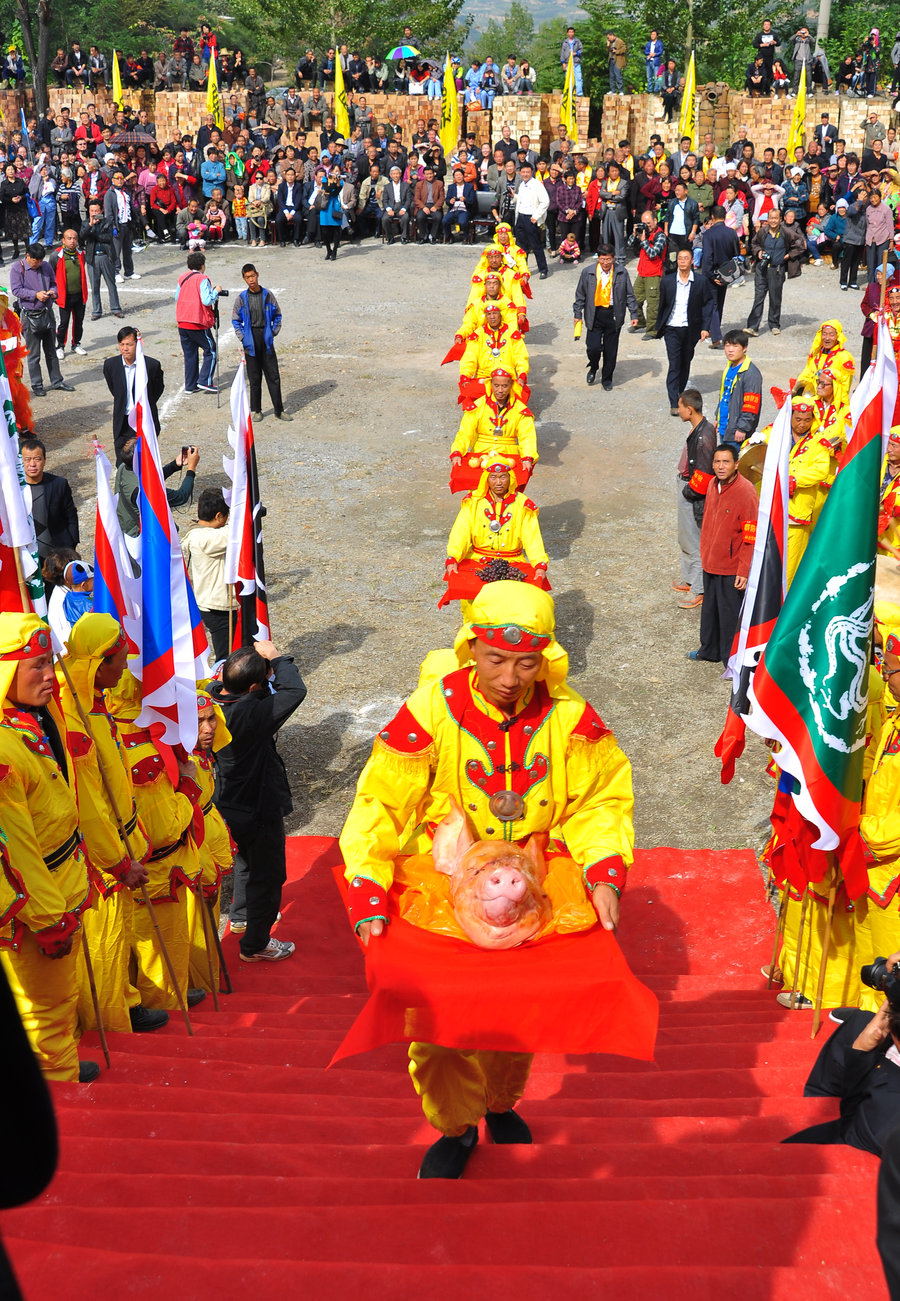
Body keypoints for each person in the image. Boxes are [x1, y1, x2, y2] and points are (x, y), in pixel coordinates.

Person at [339, 581, 634, 1178]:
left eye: (526, 663)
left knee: (516, 1014)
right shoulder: (429, 710)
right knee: (438, 1024)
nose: (509, 677)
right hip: (440, 887)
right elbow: (380, 803)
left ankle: (500, 1103)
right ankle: (456, 1125)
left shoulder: (571, 716)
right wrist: (368, 887)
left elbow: (601, 801)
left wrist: (604, 869)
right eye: (496, 659)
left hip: (534, 884)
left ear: (544, 658)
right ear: (471, 648)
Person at [57, 615, 169, 1037]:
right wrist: (118, 861)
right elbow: (90, 808)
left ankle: (125, 1000)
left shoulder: (95, 705)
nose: (125, 668)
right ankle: (110, 1025)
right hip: (101, 859)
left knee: (117, 940)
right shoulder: (75, 721)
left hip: (120, 848)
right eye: (120, 660)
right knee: (102, 944)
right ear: (100, 663)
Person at [0, 613, 96, 1083]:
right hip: (33, 906)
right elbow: (12, 851)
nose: (50, 675)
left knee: (62, 997)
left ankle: (63, 1064)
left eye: (49, 663)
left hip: (61, 879)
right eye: (35, 666)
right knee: (45, 1008)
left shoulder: (32, 719)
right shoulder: (2, 751)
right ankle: (62, 1097)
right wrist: (48, 917)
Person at [105, 666, 206, 1013]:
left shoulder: (149, 729)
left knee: (169, 945)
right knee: (156, 948)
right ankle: (164, 1005)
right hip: (156, 867)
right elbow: (162, 828)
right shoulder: (137, 747)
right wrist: (189, 790)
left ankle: (173, 990)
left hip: (167, 862)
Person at [208, 642, 306, 964]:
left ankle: (240, 916)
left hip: (223, 799)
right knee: (268, 874)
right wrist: (276, 657)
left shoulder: (210, 702)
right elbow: (294, 690)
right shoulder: (252, 713)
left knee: (245, 861)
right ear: (253, 687)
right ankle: (256, 944)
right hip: (258, 804)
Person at [782, 997, 900, 1156]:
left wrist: (860, 1052)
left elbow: (854, 1130)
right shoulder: (864, 1026)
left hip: (861, 1129)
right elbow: (821, 1093)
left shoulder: (885, 1122)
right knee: (859, 1024)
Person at [686, 444, 758, 665]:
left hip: (731, 566)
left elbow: (750, 537)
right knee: (710, 611)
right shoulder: (711, 485)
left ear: (736, 464)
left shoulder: (746, 492)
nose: (720, 466)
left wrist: (744, 570)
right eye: (717, 462)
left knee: (729, 615)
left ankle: (731, 659)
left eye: (726, 462)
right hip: (711, 561)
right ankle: (709, 650)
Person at [445, 458, 548, 608]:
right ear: (486, 479)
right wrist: (453, 557)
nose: (498, 482)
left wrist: (539, 564)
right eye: (493, 477)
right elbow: (460, 533)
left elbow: (532, 538)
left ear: (510, 477)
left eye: (502, 477)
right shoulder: (473, 502)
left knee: (518, 603)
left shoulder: (523, 505)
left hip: (513, 563)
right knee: (472, 603)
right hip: (478, 561)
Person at [656, 247, 715, 415]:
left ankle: (680, 392)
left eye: (686, 258)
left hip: (691, 329)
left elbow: (708, 304)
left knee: (685, 362)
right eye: (680, 258)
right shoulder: (667, 281)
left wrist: (705, 327)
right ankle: (674, 402)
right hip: (672, 328)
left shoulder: (701, 282)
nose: (682, 261)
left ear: (692, 261)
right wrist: (659, 325)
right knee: (674, 364)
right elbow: (662, 305)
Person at [10, 244, 74, 397]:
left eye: (39, 260)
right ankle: (37, 385)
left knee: (51, 350)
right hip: (29, 316)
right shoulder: (17, 268)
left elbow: (54, 283)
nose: (37, 263)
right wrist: (35, 295)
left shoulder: (45, 266)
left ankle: (57, 381)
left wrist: (53, 292)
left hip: (47, 313)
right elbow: (16, 290)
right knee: (34, 354)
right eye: (35, 261)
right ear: (27, 256)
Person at [572, 244, 639, 390]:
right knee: (593, 347)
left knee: (611, 350)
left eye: (608, 260)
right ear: (598, 259)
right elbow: (580, 295)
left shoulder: (621, 272)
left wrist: (634, 313)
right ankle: (594, 365)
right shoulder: (588, 272)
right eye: (602, 260)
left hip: (613, 315)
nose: (605, 263)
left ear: (613, 258)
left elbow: (629, 295)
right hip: (594, 314)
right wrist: (578, 314)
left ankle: (607, 378)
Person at [451, 370, 537, 481]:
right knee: (477, 492)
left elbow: (527, 437)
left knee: (507, 492)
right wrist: (457, 451)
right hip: (481, 456)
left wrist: (527, 457)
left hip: (509, 456)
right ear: (490, 384)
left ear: (511, 385)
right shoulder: (477, 406)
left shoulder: (520, 410)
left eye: (504, 386)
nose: (500, 390)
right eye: (496, 385)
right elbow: (465, 433)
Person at [674, 389, 717, 610]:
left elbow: (704, 474)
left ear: (689, 410)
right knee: (686, 537)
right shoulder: (701, 429)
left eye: (680, 406)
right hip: (688, 487)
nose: (677, 410)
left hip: (692, 493)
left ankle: (698, 589)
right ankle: (689, 578)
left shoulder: (704, 437)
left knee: (694, 540)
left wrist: (687, 492)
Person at [231, 264, 289, 423]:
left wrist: (274, 332)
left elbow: (277, 315)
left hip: (266, 338)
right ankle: (257, 410)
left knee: (273, 376)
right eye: (247, 277)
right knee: (254, 378)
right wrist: (243, 338)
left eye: (253, 276)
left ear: (257, 275)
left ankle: (279, 410)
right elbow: (236, 320)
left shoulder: (267, 295)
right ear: (244, 279)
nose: (251, 280)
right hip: (250, 340)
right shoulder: (241, 299)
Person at [103, 326, 164, 464]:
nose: (125, 348)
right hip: (122, 421)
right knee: (122, 461)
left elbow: (157, 390)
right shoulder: (111, 365)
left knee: (144, 461)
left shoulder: (151, 366)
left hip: (143, 419)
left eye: (129, 344)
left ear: (137, 344)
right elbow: (115, 390)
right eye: (122, 344)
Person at [182, 489, 230, 663]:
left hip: (206, 602)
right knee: (225, 655)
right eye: (226, 516)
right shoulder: (207, 538)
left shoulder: (197, 533)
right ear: (218, 516)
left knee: (227, 649)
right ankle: (224, 685)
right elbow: (235, 533)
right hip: (216, 606)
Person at [114, 438, 198, 538]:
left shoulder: (124, 467)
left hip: (125, 527)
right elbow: (181, 497)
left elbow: (151, 478)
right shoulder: (143, 490)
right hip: (141, 537)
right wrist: (191, 468)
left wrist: (175, 465)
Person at [19, 437, 78, 558]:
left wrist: (71, 545)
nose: (32, 464)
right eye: (27, 459)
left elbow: (71, 516)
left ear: (44, 460)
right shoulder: (14, 489)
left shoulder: (59, 484)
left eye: (37, 459)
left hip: (58, 555)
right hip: (27, 557)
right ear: (20, 461)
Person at [175, 250, 222, 395]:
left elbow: (177, 297)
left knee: (190, 354)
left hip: (183, 321)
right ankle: (205, 380)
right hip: (197, 322)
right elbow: (207, 300)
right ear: (202, 265)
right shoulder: (202, 279)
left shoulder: (182, 278)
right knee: (211, 349)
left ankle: (190, 385)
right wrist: (216, 292)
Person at [700, 206, 742, 348]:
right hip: (726, 273)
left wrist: (710, 275)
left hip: (712, 273)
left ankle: (716, 336)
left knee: (712, 304)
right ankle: (715, 330)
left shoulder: (708, 234)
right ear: (724, 216)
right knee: (719, 302)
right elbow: (736, 254)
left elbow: (707, 258)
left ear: (712, 217)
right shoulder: (731, 233)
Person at [716, 329, 763, 445]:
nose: (730, 350)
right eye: (727, 345)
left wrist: (742, 428)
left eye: (735, 346)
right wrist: (717, 419)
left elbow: (751, 404)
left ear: (744, 348)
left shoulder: (751, 373)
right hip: (725, 428)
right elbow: (724, 395)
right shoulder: (729, 367)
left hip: (737, 434)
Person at [746, 208, 787, 337]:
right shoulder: (762, 232)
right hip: (761, 269)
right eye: (771, 218)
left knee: (775, 298)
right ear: (767, 219)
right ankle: (753, 327)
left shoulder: (786, 232)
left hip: (777, 270)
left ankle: (774, 324)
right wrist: (758, 252)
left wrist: (789, 255)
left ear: (780, 219)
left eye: (776, 218)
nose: (773, 221)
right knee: (758, 297)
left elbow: (799, 244)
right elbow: (753, 243)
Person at [793, 320, 855, 405]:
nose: (827, 338)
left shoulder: (845, 357)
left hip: (831, 402)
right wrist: (795, 389)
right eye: (824, 334)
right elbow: (807, 372)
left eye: (831, 334)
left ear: (838, 336)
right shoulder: (817, 353)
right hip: (812, 396)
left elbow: (844, 386)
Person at [80, 199, 123, 322]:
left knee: (111, 284)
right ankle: (96, 310)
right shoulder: (85, 223)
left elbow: (107, 237)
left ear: (101, 211)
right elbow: (82, 237)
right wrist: (90, 226)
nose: (94, 213)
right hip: (92, 257)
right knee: (94, 286)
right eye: (92, 210)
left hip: (105, 256)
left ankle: (116, 308)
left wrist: (93, 234)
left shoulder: (107, 222)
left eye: (96, 210)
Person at [49, 227, 87, 360]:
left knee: (79, 321)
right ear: (63, 240)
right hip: (64, 296)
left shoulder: (81, 254)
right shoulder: (56, 255)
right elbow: (50, 274)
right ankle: (60, 346)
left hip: (79, 295)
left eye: (75, 238)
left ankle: (76, 343)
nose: (72, 241)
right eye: (69, 238)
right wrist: (54, 293)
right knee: (64, 322)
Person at [631, 208, 666, 339]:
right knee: (634, 299)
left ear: (655, 221)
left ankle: (652, 330)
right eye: (644, 223)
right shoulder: (643, 232)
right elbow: (629, 244)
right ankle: (640, 322)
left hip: (654, 273)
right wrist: (635, 234)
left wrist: (644, 240)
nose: (646, 226)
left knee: (653, 305)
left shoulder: (660, 235)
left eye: (649, 223)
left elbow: (652, 253)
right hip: (642, 271)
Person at [512, 162, 549, 280]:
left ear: (532, 172)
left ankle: (543, 269)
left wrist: (536, 216)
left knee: (536, 245)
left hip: (531, 218)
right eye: (523, 172)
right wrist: (514, 196)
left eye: (527, 172)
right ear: (520, 172)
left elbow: (545, 201)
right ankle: (523, 269)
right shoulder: (522, 184)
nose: (525, 174)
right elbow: (522, 200)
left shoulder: (537, 184)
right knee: (521, 246)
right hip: (521, 217)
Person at [103, 172, 141, 285]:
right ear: (113, 180)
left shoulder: (126, 192)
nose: (120, 180)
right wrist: (113, 227)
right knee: (116, 250)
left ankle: (129, 271)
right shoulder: (110, 194)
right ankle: (115, 272)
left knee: (127, 250)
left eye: (121, 178)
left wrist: (135, 222)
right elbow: (108, 213)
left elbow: (131, 207)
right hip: (117, 225)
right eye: (117, 178)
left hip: (127, 224)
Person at [381, 165, 412, 244]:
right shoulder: (387, 187)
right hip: (391, 207)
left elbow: (409, 199)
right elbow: (384, 200)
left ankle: (403, 237)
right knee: (385, 219)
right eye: (393, 174)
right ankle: (390, 237)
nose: (395, 175)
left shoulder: (406, 186)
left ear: (400, 174)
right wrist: (388, 209)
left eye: (397, 174)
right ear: (391, 175)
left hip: (401, 206)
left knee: (405, 218)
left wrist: (404, 208)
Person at [561, 27, 584, 95]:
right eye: (569, 32)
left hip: (576, 62)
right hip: (568, 63)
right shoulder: (565, 42)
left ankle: (579, 93)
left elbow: (581, 50)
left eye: (572, 32)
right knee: (568, 78)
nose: (571, 33)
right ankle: (568, 92)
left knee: (578, 78)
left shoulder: (577, 41)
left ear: (574, 33)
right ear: (567, 33)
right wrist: (563, 63)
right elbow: (562, 53)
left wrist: (576, 53)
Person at [606, 30, 627, 94]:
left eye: (608, 37)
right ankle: (613, 90)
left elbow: (624, 49)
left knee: (618, 75)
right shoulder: (610, 42)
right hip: (611, 60)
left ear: (612, 35)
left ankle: (621, 90)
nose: (608, 39)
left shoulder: (619, 41)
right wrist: (608, 45)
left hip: (618, 61)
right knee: (612, 76)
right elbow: (608, 51)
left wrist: (616, 51)